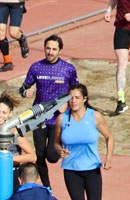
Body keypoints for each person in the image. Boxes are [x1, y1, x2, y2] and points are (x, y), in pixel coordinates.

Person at [53, 83, 114, 200]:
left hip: (92, 169)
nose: (73, 101)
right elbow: (56, 142)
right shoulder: (62, 119)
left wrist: (108, 158)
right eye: (70, 98)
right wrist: (59, 151)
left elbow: (109, 136)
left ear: (85, 99)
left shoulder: (94, 117)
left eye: (77, 97)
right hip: (71, 170)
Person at [18, 35, 79, 188]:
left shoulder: (68, 69)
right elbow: (23, 88)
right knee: (39, 155)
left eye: (54, 49)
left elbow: (77, 92)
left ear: (60, 50)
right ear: (44, 49)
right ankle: (47, 186)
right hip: (39, 118)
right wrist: (26, 92)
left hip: (58, 119)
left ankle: (61, 147)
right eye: (48, 48)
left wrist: (68, 105)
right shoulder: (36, 67)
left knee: (51, 156)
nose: (50, 52)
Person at [0, 0, 30, 72]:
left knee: (13, 33)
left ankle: (21, 38)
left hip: (16, 3)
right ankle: (8, 62)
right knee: (0, 33)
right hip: (1, 2)